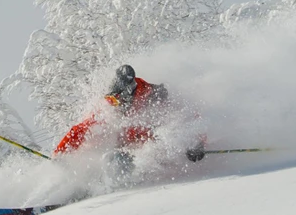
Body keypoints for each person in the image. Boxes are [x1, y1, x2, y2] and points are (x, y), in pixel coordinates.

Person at [53, 65, 206, 166]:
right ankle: (92, 176)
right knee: (99, 134)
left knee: (156, 136)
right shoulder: (107, 109)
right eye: (113, 99)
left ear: (130, 95)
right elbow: (79, 130)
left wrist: (197, 143)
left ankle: (135, 170)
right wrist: (60, 154)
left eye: (119, 100)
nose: (116, 104)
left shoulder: (153, 96)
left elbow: (188, 115)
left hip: (145, 147)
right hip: (119, 146)